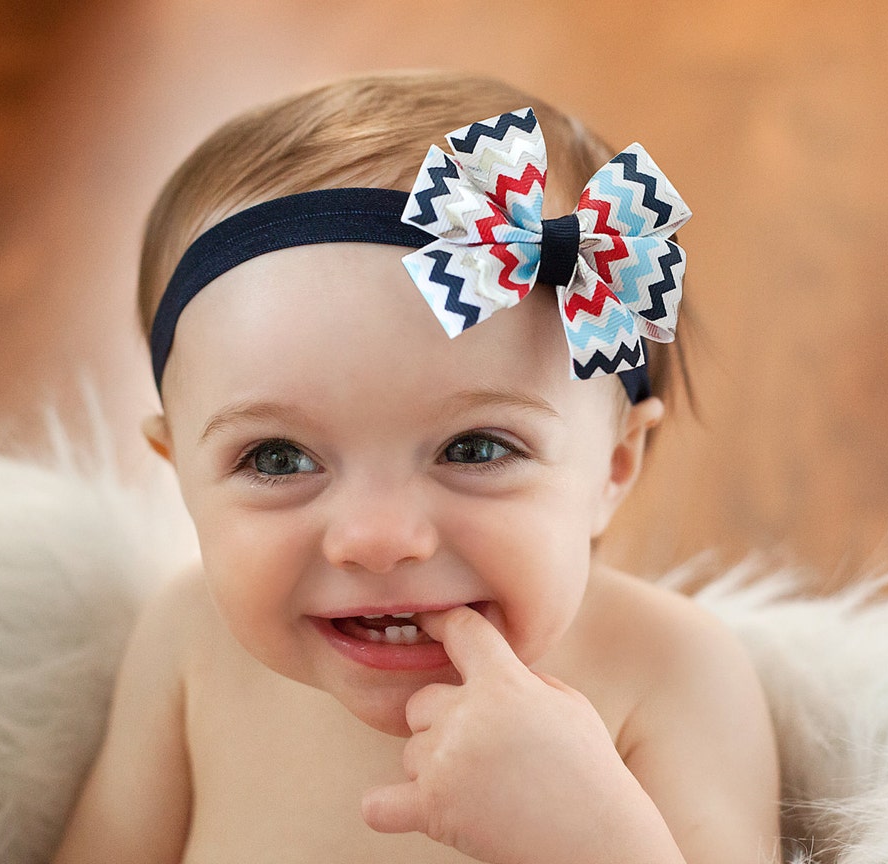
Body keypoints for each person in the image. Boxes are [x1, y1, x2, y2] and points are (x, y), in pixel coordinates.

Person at [51, 71, 781, 863]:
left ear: (613, 465)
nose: (377, 540)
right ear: (180, 475)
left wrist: (597, 845)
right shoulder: (188, 643)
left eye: (475, 449)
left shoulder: (672, 673)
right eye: (278, 458)